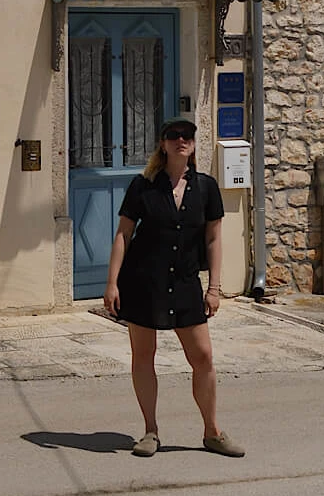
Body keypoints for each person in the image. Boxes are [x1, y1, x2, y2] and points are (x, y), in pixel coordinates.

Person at [102, 117, 245, 459]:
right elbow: (123, 234)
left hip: (184, 282)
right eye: (174, 136)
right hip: (143, 281)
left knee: (204, 357)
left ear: (194, 144)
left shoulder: (207, 188)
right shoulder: (144, 186)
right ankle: (150, 431)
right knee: (143, 356)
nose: (182, 140)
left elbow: (213, 238)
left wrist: (214, 287)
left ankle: (212, 431)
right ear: (163, 144)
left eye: (188, 136)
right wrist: (111, 283)